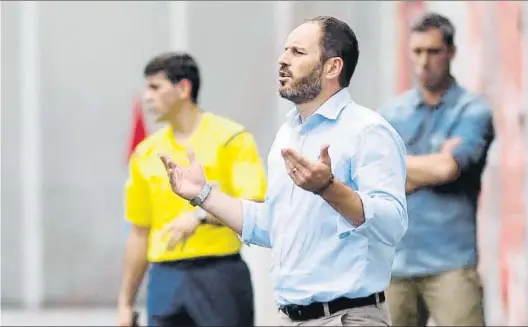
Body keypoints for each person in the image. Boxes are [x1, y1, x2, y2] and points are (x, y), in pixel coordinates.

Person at [159, 16, 408, 327]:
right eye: (285, 50)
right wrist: (203, 195)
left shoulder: (368, 131)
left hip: (347, 317)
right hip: (289, 317)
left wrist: (328, 188)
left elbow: (392, 224)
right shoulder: (288, 134)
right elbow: (272, 226)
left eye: (297, 52)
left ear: (332, 67)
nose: (282, 59)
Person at [117, 52, 267, 327]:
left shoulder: (232, 139)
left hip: (219, 273)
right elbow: (140, 231)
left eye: (155, 87)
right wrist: (126, 303)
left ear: (184, 88)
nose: (146, 96)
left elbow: (253, 202)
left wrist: (200, 217)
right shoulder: (145, 153)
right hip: (164, 277)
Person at [378, 13, 494, 326]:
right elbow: (373, 177)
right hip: (395, 263)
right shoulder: (392, 113)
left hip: (451, 263)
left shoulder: (473, 111)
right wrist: (430, 167)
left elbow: (447, 169)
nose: (424, 61)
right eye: (417, 52)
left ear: (451, 52)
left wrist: (404, 171)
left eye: (433, 51)